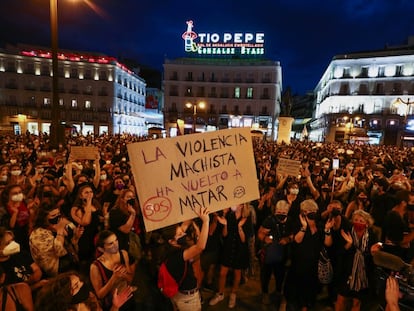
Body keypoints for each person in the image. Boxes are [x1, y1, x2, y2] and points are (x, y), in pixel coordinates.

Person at [160, 207, 210, 311]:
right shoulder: (178, 256)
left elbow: (185, 224)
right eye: (179, 234)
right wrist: (206, 221)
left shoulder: (169, 250)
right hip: (188, 299)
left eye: (182, 232)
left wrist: (193, 208)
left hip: (178, 294)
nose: (183, 234)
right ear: (171, 241)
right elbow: (200, 247)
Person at [209, 203, 252, 309]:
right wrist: (226, 225)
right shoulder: (229, 215)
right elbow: (224, 235)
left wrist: (239, 227)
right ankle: (220, 294)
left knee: (237, 273)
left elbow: (243, 240)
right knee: (222, 273)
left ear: (242, 205)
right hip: (228, 247)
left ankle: (233, 294)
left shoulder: (247, 218)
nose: (234, 204)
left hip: (240, 249)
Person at [284, 199, 324, 311]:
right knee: (294, 297)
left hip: (313, 266)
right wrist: (304, 227)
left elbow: (325, 242)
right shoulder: (297, 223)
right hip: (298, 264)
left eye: (313, 210)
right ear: (302, 212)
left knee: (308, 294)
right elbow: (297, 240)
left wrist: (315, 227)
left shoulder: (320, 225)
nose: (311, 212)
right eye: (308, 210)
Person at [335, 210, 377, 311]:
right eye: (356, 220)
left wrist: (372, 253)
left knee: (357, 301)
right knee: (341, 298)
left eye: (361, 221)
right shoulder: (347, 231)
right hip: (346, 271)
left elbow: (372, 255)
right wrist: (348, 244)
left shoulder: (371, 236)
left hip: (362, 274)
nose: (358, 222)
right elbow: (338, 252)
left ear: (367, 223)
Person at [29, 202, 83, 277]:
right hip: (57, 268)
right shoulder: (38, 234)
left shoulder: (55, 226)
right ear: (44, 218)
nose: (58, 217)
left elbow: (70, 247)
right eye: (53, 215)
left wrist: (75, 238)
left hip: (70, 261)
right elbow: (60, 251)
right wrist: (60, 229)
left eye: (58, 214)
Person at [35, 271, 134, 311]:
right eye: (76, 285)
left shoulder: (89, 297)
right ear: (65, 295)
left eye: (80, 281)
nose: (82, 285)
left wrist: (115, 306)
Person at [257, 199, 293, 305]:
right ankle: (265, 293)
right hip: (269, 253)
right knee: (265, 275)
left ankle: (278, 291)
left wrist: (287, 239)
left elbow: (293, 234)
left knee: (280, 274)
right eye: (278, 212)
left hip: (283, 253)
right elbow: (260, 233)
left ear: (287, 211)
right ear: (275, 210)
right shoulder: (269, 220)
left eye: (283, 213)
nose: (281, 214)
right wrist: (264, 239)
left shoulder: (290, 221)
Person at [90, 230, 136, 311]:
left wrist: (123, 275)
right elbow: (100, 295)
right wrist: (114, 277)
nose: (116, 245)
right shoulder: (96, 266)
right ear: (101, 249)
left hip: (128, 298)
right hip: (113, 305)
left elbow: (131, 279)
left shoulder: (124, 253)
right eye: (111, 243)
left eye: (116, 240)